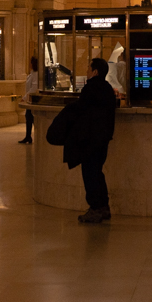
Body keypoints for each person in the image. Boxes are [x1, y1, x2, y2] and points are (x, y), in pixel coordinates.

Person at [64, 58, 119, 224]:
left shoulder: (90, 88)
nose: (87, 70)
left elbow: (82, 111)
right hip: (103, 139)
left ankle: (95, 208)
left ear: (95, 71)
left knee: (89, 174)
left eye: (89, 67)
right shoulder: (108, 88)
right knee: (98, 172)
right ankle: (103, 206)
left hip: (90, 140)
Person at [19, 55, 40, 145]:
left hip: (33, 99)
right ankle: (28, 136)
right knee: (28, 117)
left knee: (31, 117)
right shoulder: (32, 73)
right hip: (30, 99)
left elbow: (33, 88)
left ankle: (32, 136)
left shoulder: (36, 74)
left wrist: (24, 97)